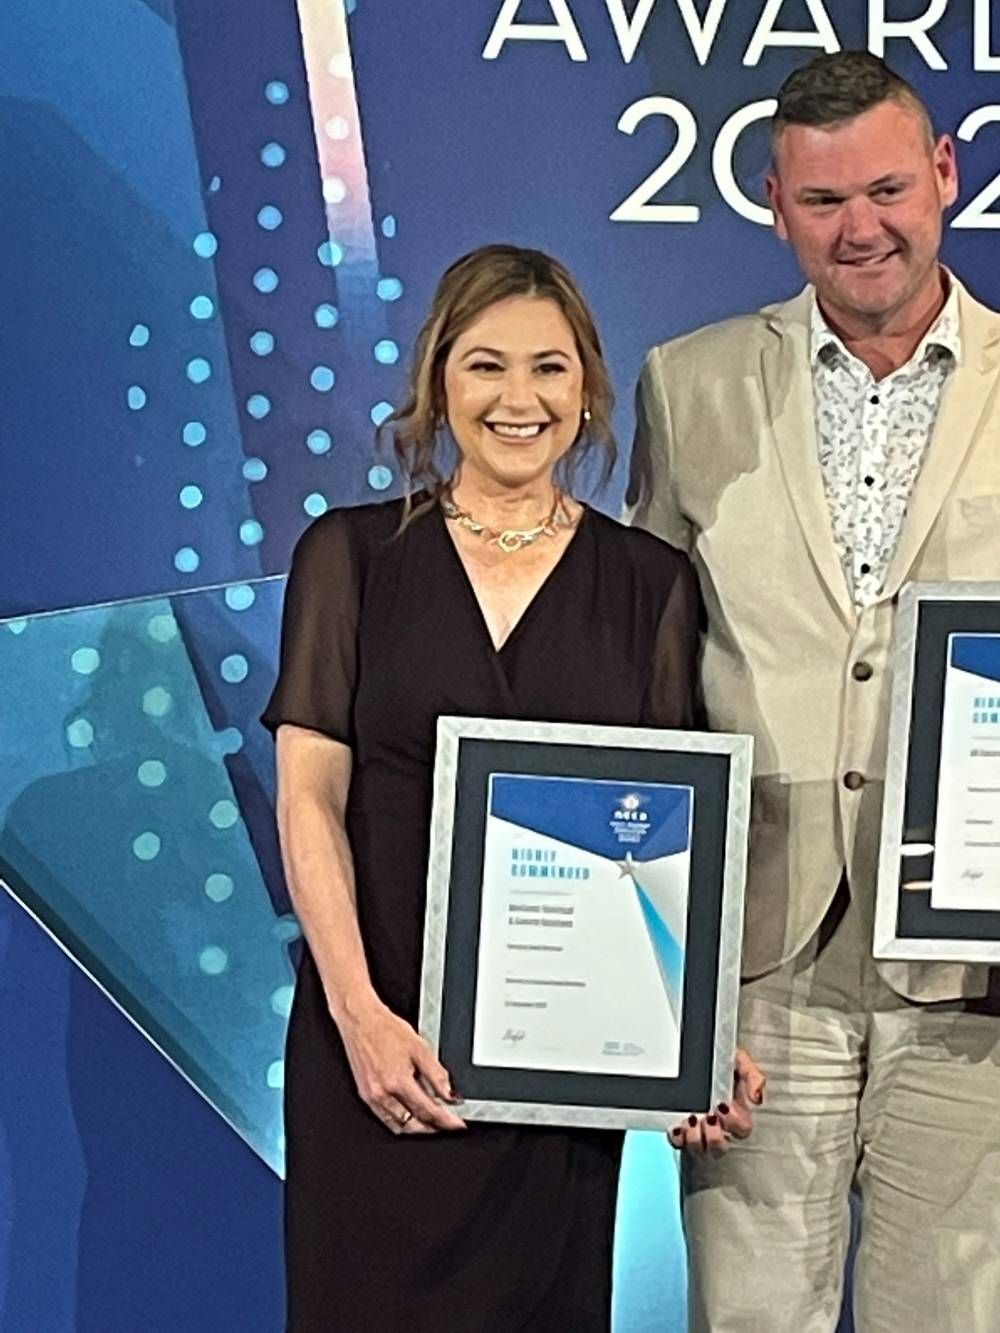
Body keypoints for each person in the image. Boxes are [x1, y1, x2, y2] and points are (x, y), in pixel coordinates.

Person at [263, 244, 754, 1331]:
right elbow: (307, 798)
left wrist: (691, 1042)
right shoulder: (350, 558)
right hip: (374, 1048)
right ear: (439, 382)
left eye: (549, 368)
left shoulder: (650, 585)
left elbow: (667, 838)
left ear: (587, 391)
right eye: (485, 367)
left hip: (553, 1075)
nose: (517, 399)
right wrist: (358, 1015)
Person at [631, 51, 1000, 1332]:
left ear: (946, 175)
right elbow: (647, 686)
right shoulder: (689, 383)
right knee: (747, 1319)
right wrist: (660, 984)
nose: (862, 228)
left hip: (973, 973)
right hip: (752, 968)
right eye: (823, 200)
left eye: (888, 188)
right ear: (778, 208)